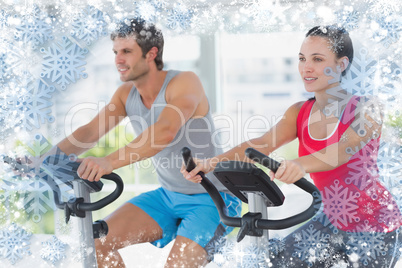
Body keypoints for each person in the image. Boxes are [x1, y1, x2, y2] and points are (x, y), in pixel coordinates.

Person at [182, 26, 402, 267]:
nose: (306, 67)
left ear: (341, 64)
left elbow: (341, 151)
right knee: (277, 261)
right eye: (302, 59)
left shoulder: (367, 108)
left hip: (376, 225)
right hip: (331, 221)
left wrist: (299, 165)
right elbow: (261, 144)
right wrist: (209, 164)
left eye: (317, 59)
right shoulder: (299, 112)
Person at [50, 18, 241, 268]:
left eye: (127, 52)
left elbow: (165, 132)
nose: (118, 60)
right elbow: (90, 131)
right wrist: (45, 161)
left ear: (151, 54)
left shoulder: (184, 82)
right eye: (116, 52)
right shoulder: (126, 94)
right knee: (96, 244)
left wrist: (108, 162)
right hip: (168, 197)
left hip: (213, 198)